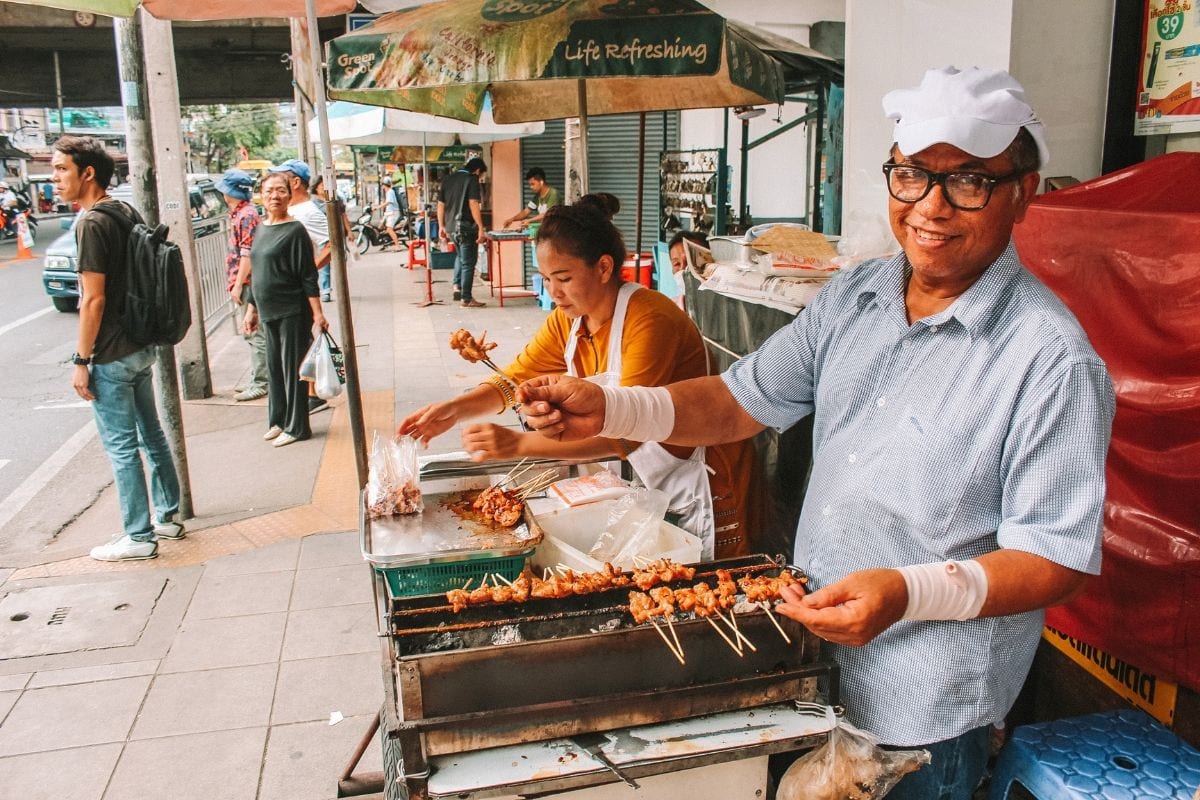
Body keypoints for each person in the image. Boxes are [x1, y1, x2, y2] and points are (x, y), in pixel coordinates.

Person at [517, 67, 1116, 800]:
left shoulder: (1050, 360)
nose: (931, 205)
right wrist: (613, 411)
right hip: (811, 659)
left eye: (969, 182)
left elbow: (1055, 558)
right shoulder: (854, 297)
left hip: (921, 710)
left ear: (1024, 191)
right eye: (912, 175)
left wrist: (907, 591)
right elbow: (740, 401)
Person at [400, 200, 758, 560]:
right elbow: (513, 381)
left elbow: (625, 436)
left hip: (699, 479)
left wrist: (518, 444)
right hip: (642, 480)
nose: (554, 293)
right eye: (546, 280)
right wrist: (453, 410)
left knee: (710, 576)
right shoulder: (570, 320)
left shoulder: (649, 319)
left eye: (564, 279)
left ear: (603, 267)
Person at [52, 135, 184, 562]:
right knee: (152, 435)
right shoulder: (124, 210)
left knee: (123, 447)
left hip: (110, 352)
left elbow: (93, 299)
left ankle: (138, 536)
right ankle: (167, 516)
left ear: (87, 173)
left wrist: (81, 360)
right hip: (141, 345)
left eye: (60, 170)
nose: (55, 179)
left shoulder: (92, 222)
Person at [243, 172, 329, 448]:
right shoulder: (262, 227)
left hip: (292, 309)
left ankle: (297, 426)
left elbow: (307, 275)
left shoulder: (295, 231)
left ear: (289, 195)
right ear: (261, 195)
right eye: (269, 191)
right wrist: (250, 308)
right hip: (267, 310)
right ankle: (278, 420)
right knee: (274, 369)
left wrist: (317, 313)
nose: (274, 196)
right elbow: (257, 272)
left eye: (280, 190)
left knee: (293, 369)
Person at [218, 168, 268, 403]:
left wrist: (238, 285)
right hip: (244, 280)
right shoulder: (242, 213)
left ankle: (261, 382)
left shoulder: (246, 215)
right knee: (253, 332)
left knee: (253, 331)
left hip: (247, 281)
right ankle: (257, 378)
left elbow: (247, 254)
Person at [269, 159, 332, 303]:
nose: (277, 183)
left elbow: (332, 246)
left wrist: (306, 273)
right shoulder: (288, 209)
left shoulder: (309, 212)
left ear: (296, 182)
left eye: (282, 178)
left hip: (294, 295)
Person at [438, 157, 489, 308]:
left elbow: (440, 204)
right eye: (481, 175)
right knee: (468, 263)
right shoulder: (471, 179)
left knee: (460, 257)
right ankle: (466, 298)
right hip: (466, 227)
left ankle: (457, 286)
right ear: (478, 170)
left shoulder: (448, 179)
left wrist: (442, 226)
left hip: (451, 227)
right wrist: (481, 227)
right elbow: (473, 203)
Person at [502, 167, 562, 231]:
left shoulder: (553, 194)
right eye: (530, 184)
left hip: (554, 232)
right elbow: (526, 211)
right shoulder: (537, 197)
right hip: (544, 230)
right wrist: (512, 219)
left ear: (541, 182)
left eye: (533, 184)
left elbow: (548, 213)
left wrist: (529, 221)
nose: (531, 187)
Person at [381, 175, 406, 249]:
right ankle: (385, 244)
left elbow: (389, 202)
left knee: (389, 229)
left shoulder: (390, 192)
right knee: (381, 226)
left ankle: (397, 246)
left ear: (384, 185)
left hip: (393, 213)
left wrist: (378, 207)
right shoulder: (388, 192)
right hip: (389, 212)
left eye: (382, 184)